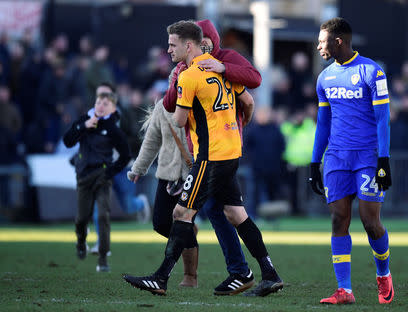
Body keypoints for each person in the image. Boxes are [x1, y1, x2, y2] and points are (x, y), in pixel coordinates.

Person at [123, 20, 283, 297]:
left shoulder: (189, 76)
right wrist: (235, 128)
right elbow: (248, 101)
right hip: (231, 152)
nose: (168, 50)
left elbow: (178, 117)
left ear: (189, 45)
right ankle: (268, 273)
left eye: (172, 45)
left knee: (181, 213)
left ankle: (161, 278)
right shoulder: (220, 69)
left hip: (210, 156)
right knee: (234, 213)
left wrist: (178, 97)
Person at [160, 18, 265, 294]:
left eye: (207, 41)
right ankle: (255, 271)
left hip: (215, 152)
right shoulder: (187, 69)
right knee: (225, 211)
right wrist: (176, 79)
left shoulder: (225, 59)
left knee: (186, 212)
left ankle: (168, 277)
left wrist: (224, 68)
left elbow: (254, 81)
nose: (204, 46)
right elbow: (170, 103)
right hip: (205, 150)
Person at [309, 17, 394, 304]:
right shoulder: (324, 78)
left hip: (368, 157)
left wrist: (384, 160)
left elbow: (383, 120)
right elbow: (323, 123)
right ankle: (344, 290)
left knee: (371, 222)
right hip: (337, 158)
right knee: (338, 219)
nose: (318, 46)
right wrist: (314, 162)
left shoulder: (372, 72)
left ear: (338, 41)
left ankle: (383, 273)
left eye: (322, 41)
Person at [63, 82, 130, 272]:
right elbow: (67, 141)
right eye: (99, 102)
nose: (100, 106)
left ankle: (103, 259)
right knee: (81, 218)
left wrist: (109, 173)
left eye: (105, 104)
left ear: (113, 108)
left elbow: (125, 155)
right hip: (83, 176)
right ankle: (81, 241)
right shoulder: (84, 119)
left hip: (102, 177)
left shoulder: (112, 128)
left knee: (103, 216)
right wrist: (83, 126)